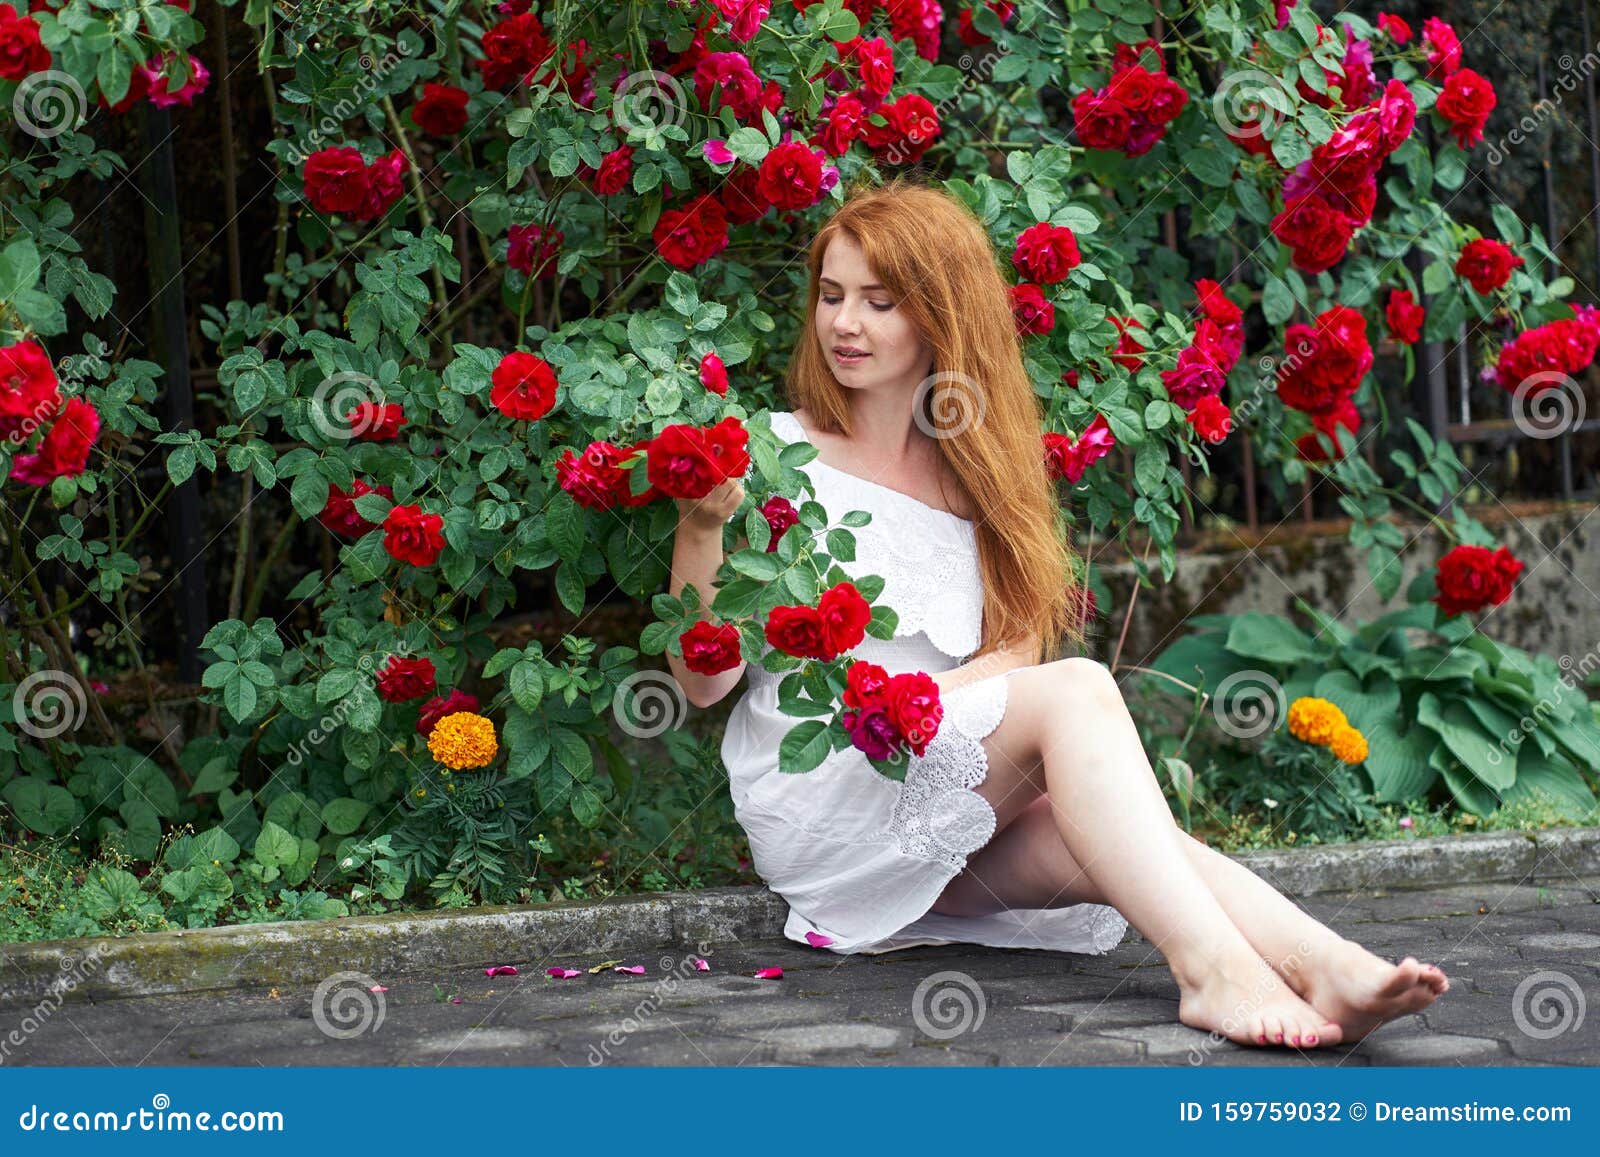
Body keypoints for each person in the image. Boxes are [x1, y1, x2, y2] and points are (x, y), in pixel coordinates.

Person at [664, 177, 1448, 1050]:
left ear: (940, 316)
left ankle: (1324, 959)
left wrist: (920, 707)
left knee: (1123, 841)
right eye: (833, 295)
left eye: (879, 302)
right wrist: (701, 527)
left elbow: (1013, 652)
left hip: (933, 799)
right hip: (824, 799)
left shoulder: (980, 478)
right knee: (1075, 689)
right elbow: (702, 686)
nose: (845, 322)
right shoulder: (775, 455)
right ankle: (1213, 976)